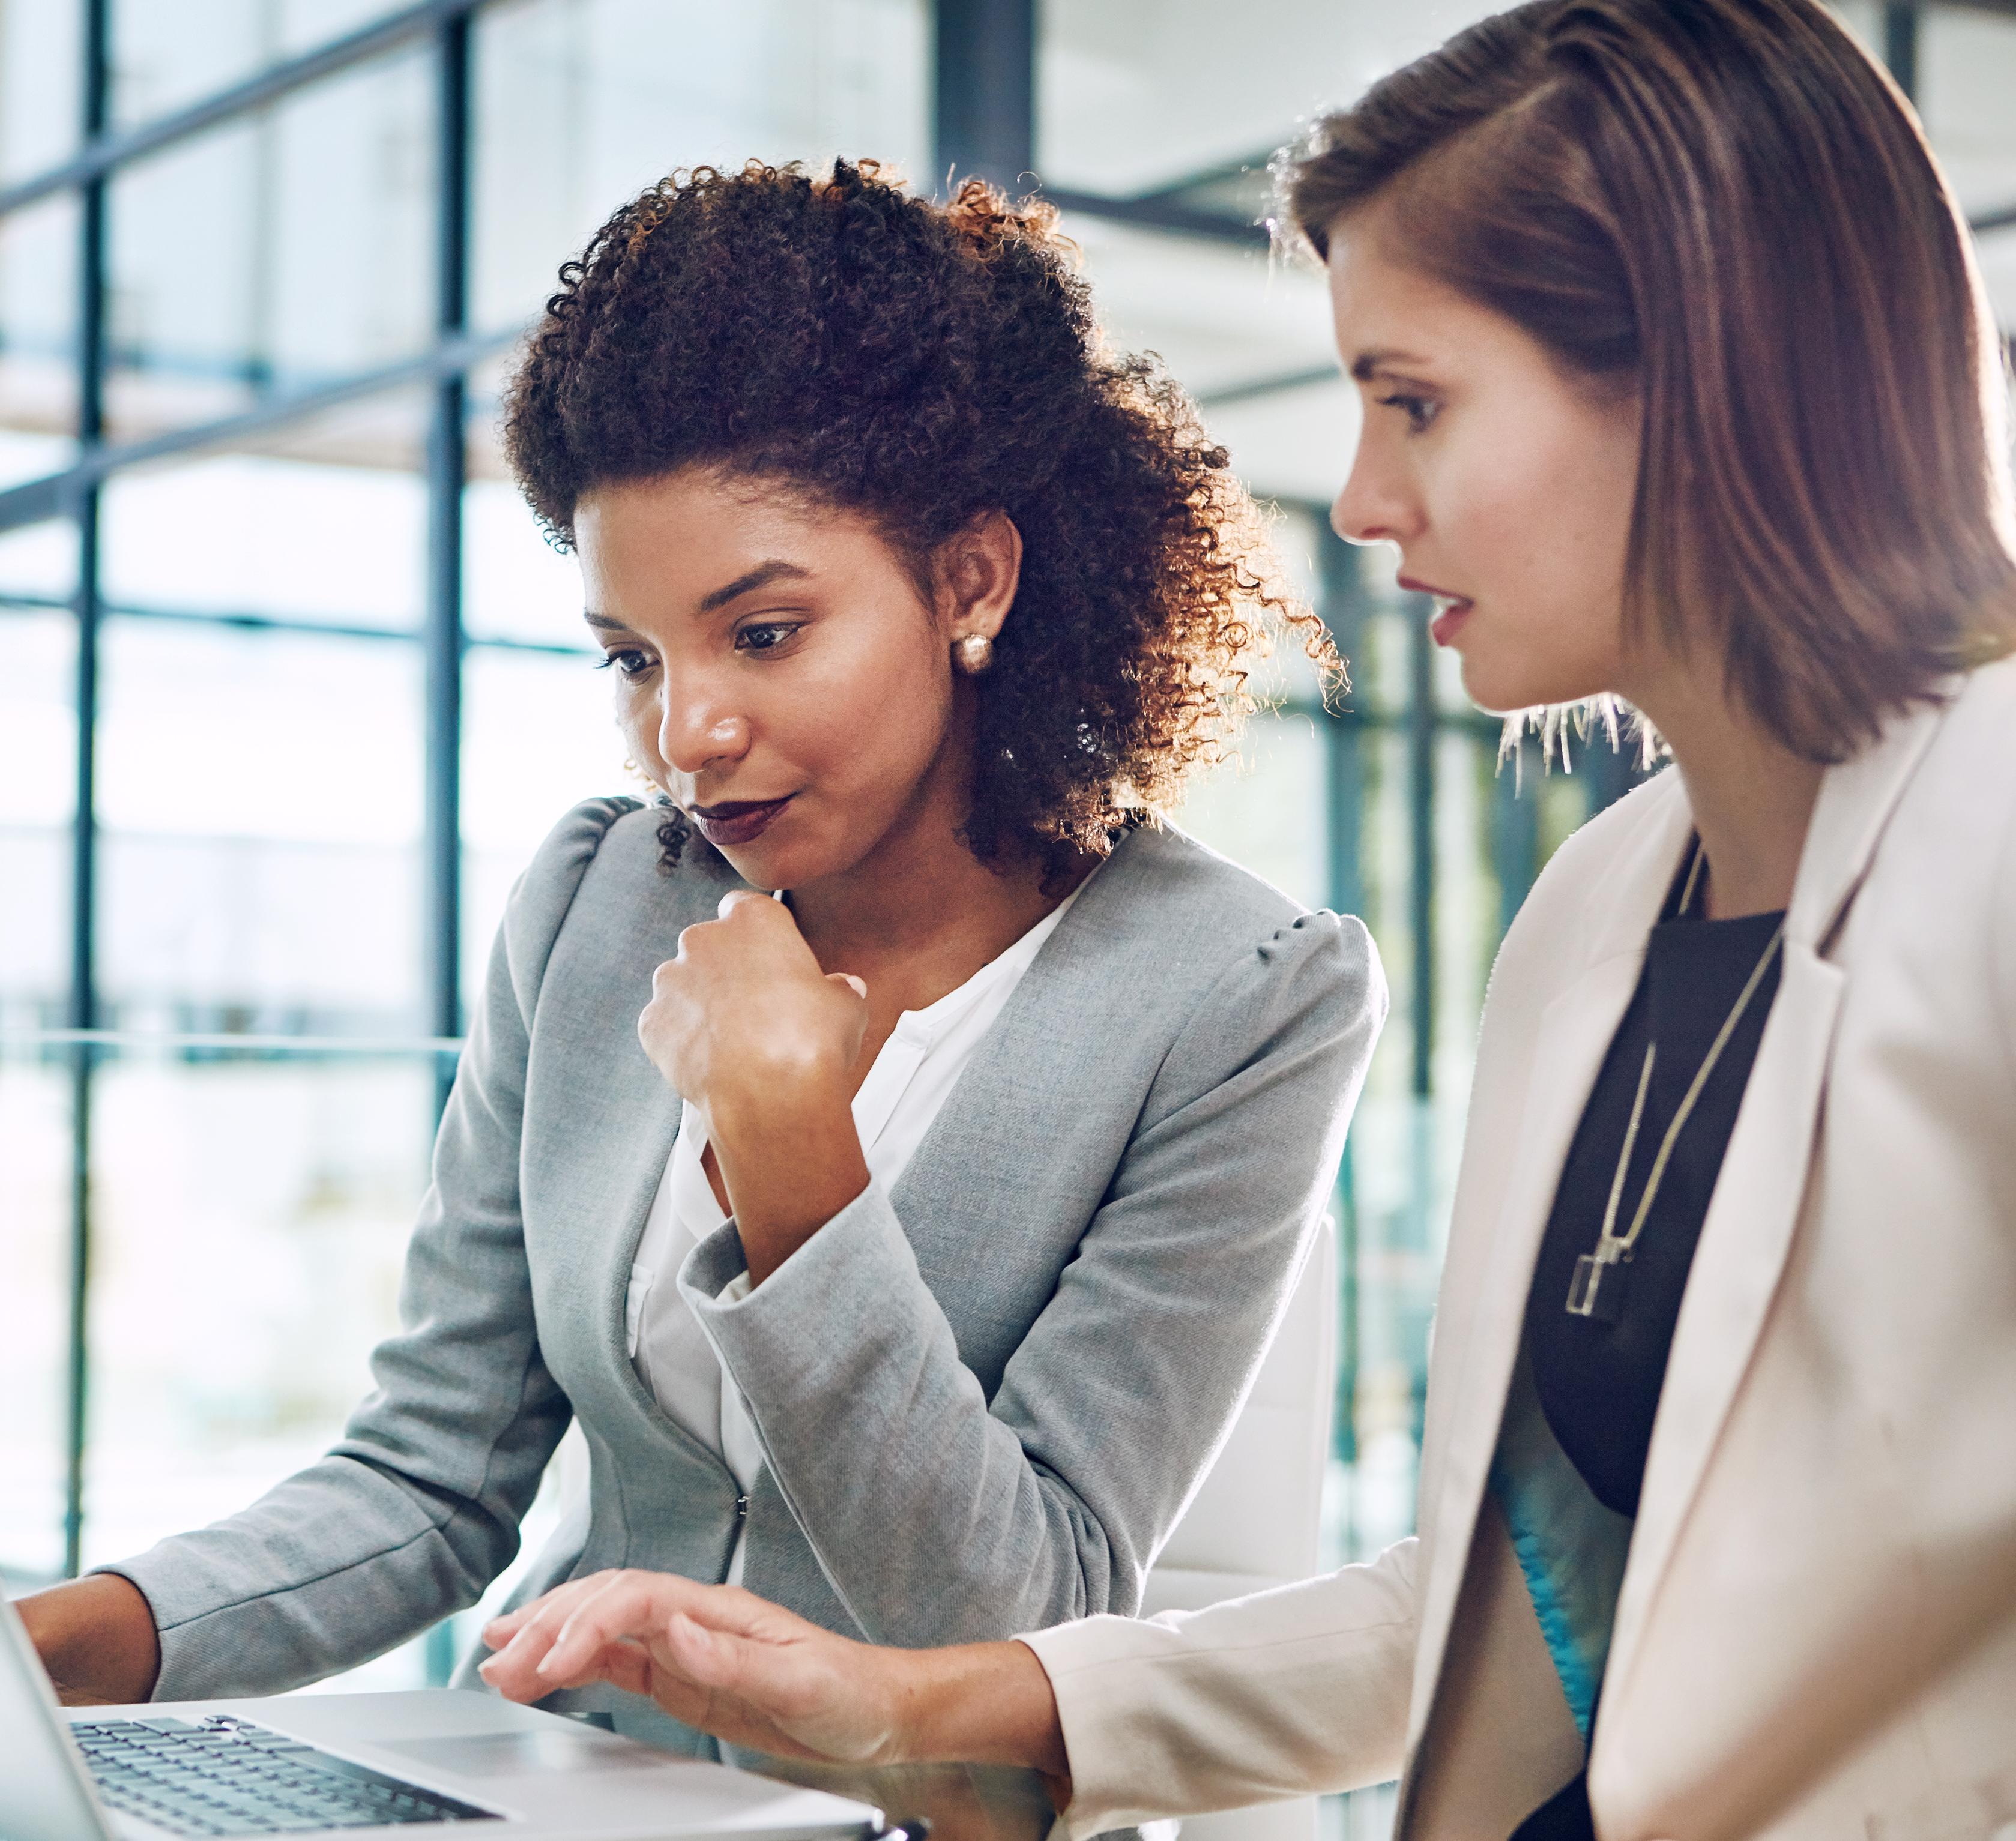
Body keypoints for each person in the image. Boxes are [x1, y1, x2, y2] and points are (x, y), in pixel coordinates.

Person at [475, 4, 2016, 1836]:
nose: (1363, 500)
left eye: (1418, 401)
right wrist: (899, 1706)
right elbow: (1501, 1589)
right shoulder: (1596, 909)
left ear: (1713, 367)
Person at [20, 161, 1386, 1755]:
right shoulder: (598, 899)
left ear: (971, 580)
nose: (688, 732)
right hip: (552, 1780)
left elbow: (1028, 1611)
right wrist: (48, 1649)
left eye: (765, 632)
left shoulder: (1244, 996)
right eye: (632, 657)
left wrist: (794, 1158)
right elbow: (428, 1479)